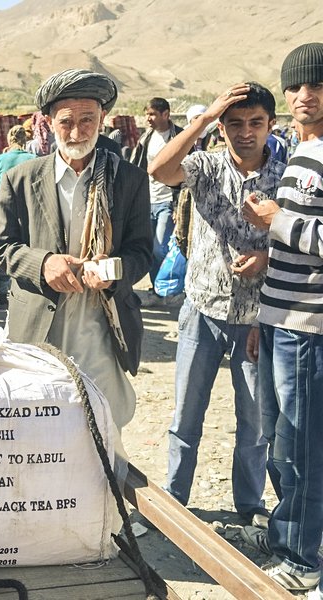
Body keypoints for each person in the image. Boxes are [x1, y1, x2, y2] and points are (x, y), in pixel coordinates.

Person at [148, 82, 285, 529]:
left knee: (255, 423)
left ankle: (248, 507)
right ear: (222, 128)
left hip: (258, 319)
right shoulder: (204, 165)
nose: (246, 133)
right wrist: (204, 119)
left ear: (271, 125)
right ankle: (174, 501)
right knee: (186, 414)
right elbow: (159, 171)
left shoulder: (287, 174)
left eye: (256, 123)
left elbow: (302, 241)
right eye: (235, 123)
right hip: (202, 310)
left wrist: (266, 257)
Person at [0, 69, 152, 429]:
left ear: (102, 120)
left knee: (100, 429)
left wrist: (111, 272)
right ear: (48, 122)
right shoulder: (21, 179)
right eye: (67, 122)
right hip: (37, 328)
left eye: (87, 120)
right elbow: (1, 247)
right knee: (33, 429)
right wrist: (44, 263)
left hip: (99, 328)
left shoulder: (129, 181)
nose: (77, 132)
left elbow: (142, 252)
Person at [241, 42, 323, 593]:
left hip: (310, 328)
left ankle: (304, 555)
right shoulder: (301, 149)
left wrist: (277, 221)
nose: (303, 96)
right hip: (280, 320)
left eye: (315, 86)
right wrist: (262, 314)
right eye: (294, 86)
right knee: (280, 438)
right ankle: (285, 532)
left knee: (305, 446)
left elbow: (300, 231)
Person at [131, 97, 184, 288]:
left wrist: (181, 207)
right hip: (147, 200)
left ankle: (168, 287)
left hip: (168, 201)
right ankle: (157, 288)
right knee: (148, 247)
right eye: (147, 114)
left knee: (160, 248)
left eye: (152, 114)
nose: (148, 118)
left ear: (166, 114)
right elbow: (136, 167)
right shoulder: (146, 138)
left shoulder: (180, 137)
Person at [0, 125, 36, 307]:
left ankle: (2, 293)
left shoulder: (1, 159)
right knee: (27, 248)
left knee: (5, 248)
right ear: (25, 140)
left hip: (6, 209)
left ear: (9, 140)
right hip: (28, 209)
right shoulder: (33, 158)